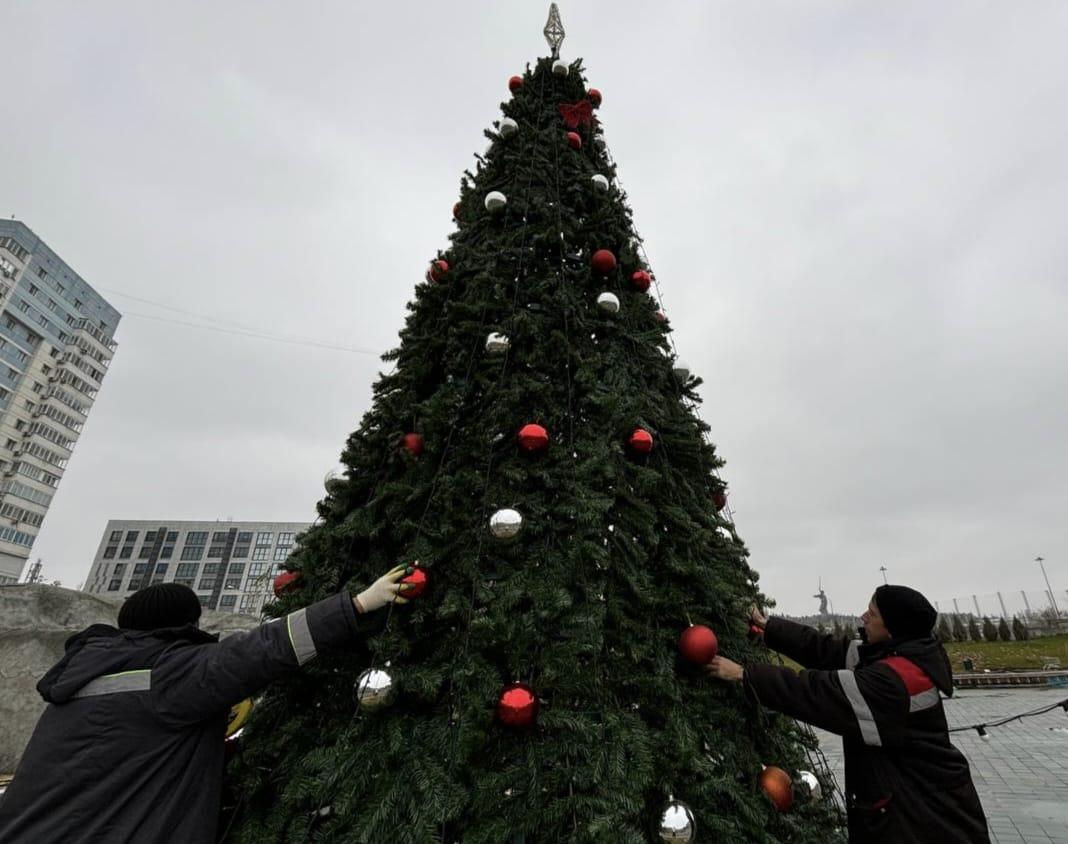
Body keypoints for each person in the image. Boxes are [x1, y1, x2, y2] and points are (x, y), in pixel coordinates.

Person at [0, 565, 414, 844]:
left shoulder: (83, 678)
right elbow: (261, 650)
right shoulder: (166, 673)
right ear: (181, 628)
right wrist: (357, 604)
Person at [706, 584, 989, 843]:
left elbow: (815, 693)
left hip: (920, 819)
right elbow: (828, 651)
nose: (864, 616)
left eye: (873, 613)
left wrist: (745, 675)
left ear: (892, 628)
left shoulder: (892, 682)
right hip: (920, 805)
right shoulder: (899, 654)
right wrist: (770, 628)